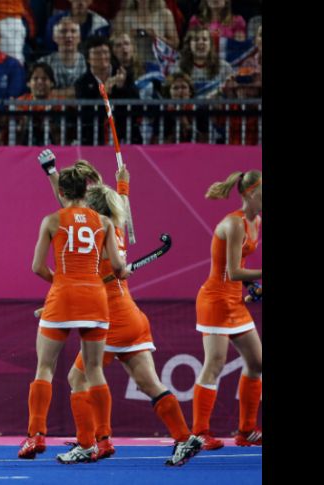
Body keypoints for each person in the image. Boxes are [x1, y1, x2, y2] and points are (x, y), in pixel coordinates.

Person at [34, 150, 204, 466]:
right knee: (149, 384)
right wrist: (122, 185)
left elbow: (67, 208)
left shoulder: (92, 234)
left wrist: (56, 302)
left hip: (109, 319)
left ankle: (90, 443)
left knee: (76, 378)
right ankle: (184, 437)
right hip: (133, 317)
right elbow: (110, 205)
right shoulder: (114, 229)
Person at [18, 159, 128, 465]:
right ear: (85, 189)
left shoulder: (52, 220)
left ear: (63, 192)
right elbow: (118, 268)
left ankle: (36, 434)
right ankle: (104, 439)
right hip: (95, 299)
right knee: (94, 370)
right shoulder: (104, 223)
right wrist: (122, 271)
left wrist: (63, 282)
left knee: (45, 368)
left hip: (63, 298)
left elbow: (37, 267)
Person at [193, 170, 262, 449]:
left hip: (234, 300)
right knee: (215, 364)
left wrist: (252, 286)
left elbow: (240, 273)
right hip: (215, 300)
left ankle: (245, 432)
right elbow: (233, 271)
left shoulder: (256, 220)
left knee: (257, 363)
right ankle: (199, 433)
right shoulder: (233, 224)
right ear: (248, 194)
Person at [113, 0, 179, 66]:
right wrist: (128, 38)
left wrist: (157, 37)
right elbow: (113, 44)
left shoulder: (165, 14)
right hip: (132, 65)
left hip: (159, 65)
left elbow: (175, 44)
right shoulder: (122, 16)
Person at [175, 26, 234, 98]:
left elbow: (232, 95)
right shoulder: (178, 67)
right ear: (189, 45)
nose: (200, 42)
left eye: (205, 39)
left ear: (210, 44)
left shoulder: (225, 67)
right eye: (196, 40)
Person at [38, 17, 87, 99]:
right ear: (54, 37)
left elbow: (91, 91)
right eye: (63, 31)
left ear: (79, 38)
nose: (68, 35)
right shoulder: (44, 63)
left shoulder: (89, 62)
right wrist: (76, 91)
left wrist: (56, 93)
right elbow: (40, 93)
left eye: (73, 31)